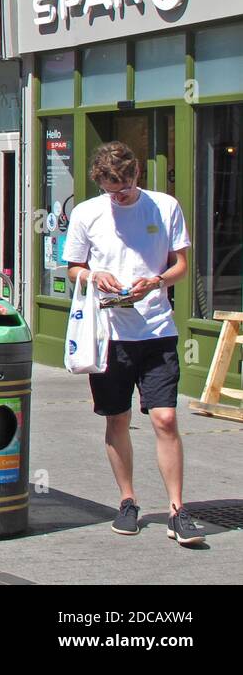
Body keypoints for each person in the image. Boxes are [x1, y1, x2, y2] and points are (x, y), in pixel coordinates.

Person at [63, 141, 205, 546]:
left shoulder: (164, 206)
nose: (119, 194)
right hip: (108, 333)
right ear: (100, 183)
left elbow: (180, 265)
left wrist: (157, 281)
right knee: (117, 418)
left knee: (165, 419)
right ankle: (127, 501)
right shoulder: (87, 213)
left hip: (157, 329)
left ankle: (178, 511)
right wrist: (95, 276)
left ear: (136, 173)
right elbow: (73, 268)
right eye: (111, 189)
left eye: (124, 186)